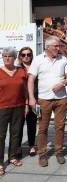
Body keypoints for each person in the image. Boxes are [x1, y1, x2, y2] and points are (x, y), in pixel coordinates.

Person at [28, 36, 67, 167]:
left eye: (59, 46)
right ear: (47, 47)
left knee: (60, 127)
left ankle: (59, 151)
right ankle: (42, 154)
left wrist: (63, 83)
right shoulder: (38, 60)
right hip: (43, 100)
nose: (58, 48)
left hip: (61, 100)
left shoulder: (63, 59)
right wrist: (31, 98)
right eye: (56, 46)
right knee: (42, 128)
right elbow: (31, 79)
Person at [0, 47, 28, 176]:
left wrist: (27, 103)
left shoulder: (21, 71)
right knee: (1, 136)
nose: (7, 58)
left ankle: (12, 157)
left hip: (19, 106)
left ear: (14, 57)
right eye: (4, 56)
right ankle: (0, 163)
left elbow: (26, 89)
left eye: (9, 56)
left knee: (16, 133)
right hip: (2, 107)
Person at [17, 47, 37, 157]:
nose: (26, 57)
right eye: (23, 55)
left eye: (28, 54)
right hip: (21, 100)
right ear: (20, 56)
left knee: (32, 124)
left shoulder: (35, 67)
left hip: (35, 99)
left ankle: (31, 146)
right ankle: (18, 147)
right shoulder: (17, 69)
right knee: (19, 125)